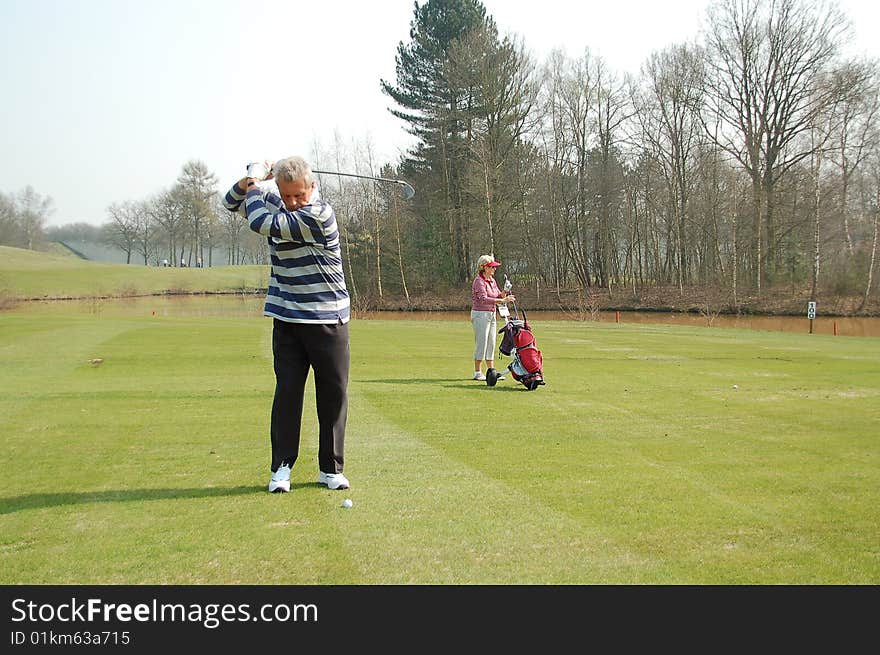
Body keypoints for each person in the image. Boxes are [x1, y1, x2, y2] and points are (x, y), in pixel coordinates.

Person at [223, 156, 351, 494]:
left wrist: (255, 183)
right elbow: (230, 202)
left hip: (327, 318)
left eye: (299, 195)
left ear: (312, 187)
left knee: (333, 395)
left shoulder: (319, 215)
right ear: (279, 190)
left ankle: (330, 469)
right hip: (288, 318)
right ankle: (281, 468)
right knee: (288, 395)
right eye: (287, 195)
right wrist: (248, 179)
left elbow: (259, 222)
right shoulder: (278, 204)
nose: (293, 203)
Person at [471, 254, 515, 381]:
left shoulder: (492, 280)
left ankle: (491, 372)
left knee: (491, 342)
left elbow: (498, 295)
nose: (494, 269)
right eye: (491, 267)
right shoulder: (479, 281)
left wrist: (505, 291)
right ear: (484, 267)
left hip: (491, 314)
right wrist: (503, 300)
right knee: (482, 343)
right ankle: (477, 372)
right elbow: (483, 299)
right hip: (480, 315)